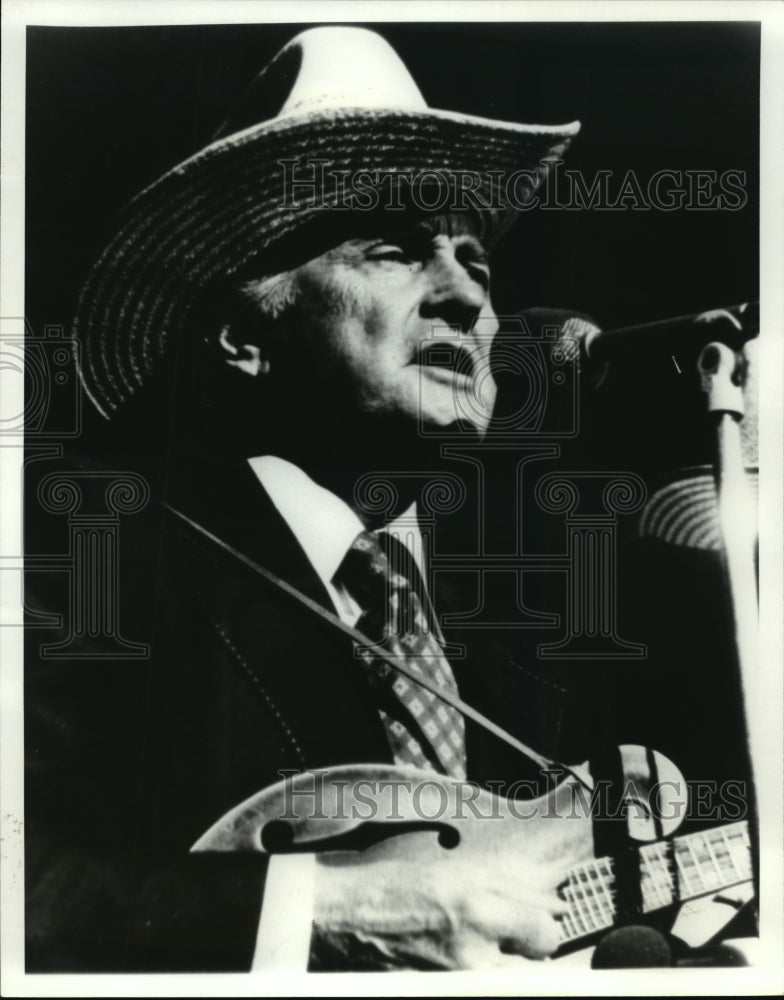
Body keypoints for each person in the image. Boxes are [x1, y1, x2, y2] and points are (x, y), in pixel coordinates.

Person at [23, 25, 754, 974]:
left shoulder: (553, 596)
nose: (464, 297)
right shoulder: (91, 568)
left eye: (475, 260)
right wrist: (321, 911)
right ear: (246, 333)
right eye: (396, 250)